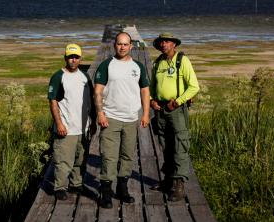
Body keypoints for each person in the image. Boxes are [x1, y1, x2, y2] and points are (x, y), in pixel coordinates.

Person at [94, 32, 150, 208]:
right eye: (119, 44)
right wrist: (100, 113)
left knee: (127, 155)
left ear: (131, 46)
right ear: (114, 45)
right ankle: (106, 191)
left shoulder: (138, 66)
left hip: (131, 119)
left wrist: (146, 114)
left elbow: (145, 91)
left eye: (126, 44)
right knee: (109, 156)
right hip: (110, 118)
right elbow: (97, 92)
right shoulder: (106, 65)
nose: (122, 47)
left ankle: (122, 188)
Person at [149, 32, 200, 202]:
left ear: (174, 45)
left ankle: (179, 186)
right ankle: (168, 181)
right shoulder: (158, 62)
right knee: (165, 145)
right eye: (161, 42)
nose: (164, 44)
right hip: (160, 110)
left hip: (176, 110)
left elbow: (194, 87)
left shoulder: (182, 60)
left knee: (180, 145)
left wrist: (178, 102)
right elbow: (151, 86)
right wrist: (151, 100)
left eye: (167, 42)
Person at [47, 43, 96, 200]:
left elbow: (92, 101)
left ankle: (76, 185)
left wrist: (93, 121)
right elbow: (53, 101)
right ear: (65, 58)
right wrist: (59, 124)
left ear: (81, 58)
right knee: (63, 161)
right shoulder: (58, 76)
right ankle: (60, 187)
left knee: (80, 159)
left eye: (76, 57)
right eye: (70, 57)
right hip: (66, 129)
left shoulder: (85, 76)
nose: (73, 60)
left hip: (83, 128)